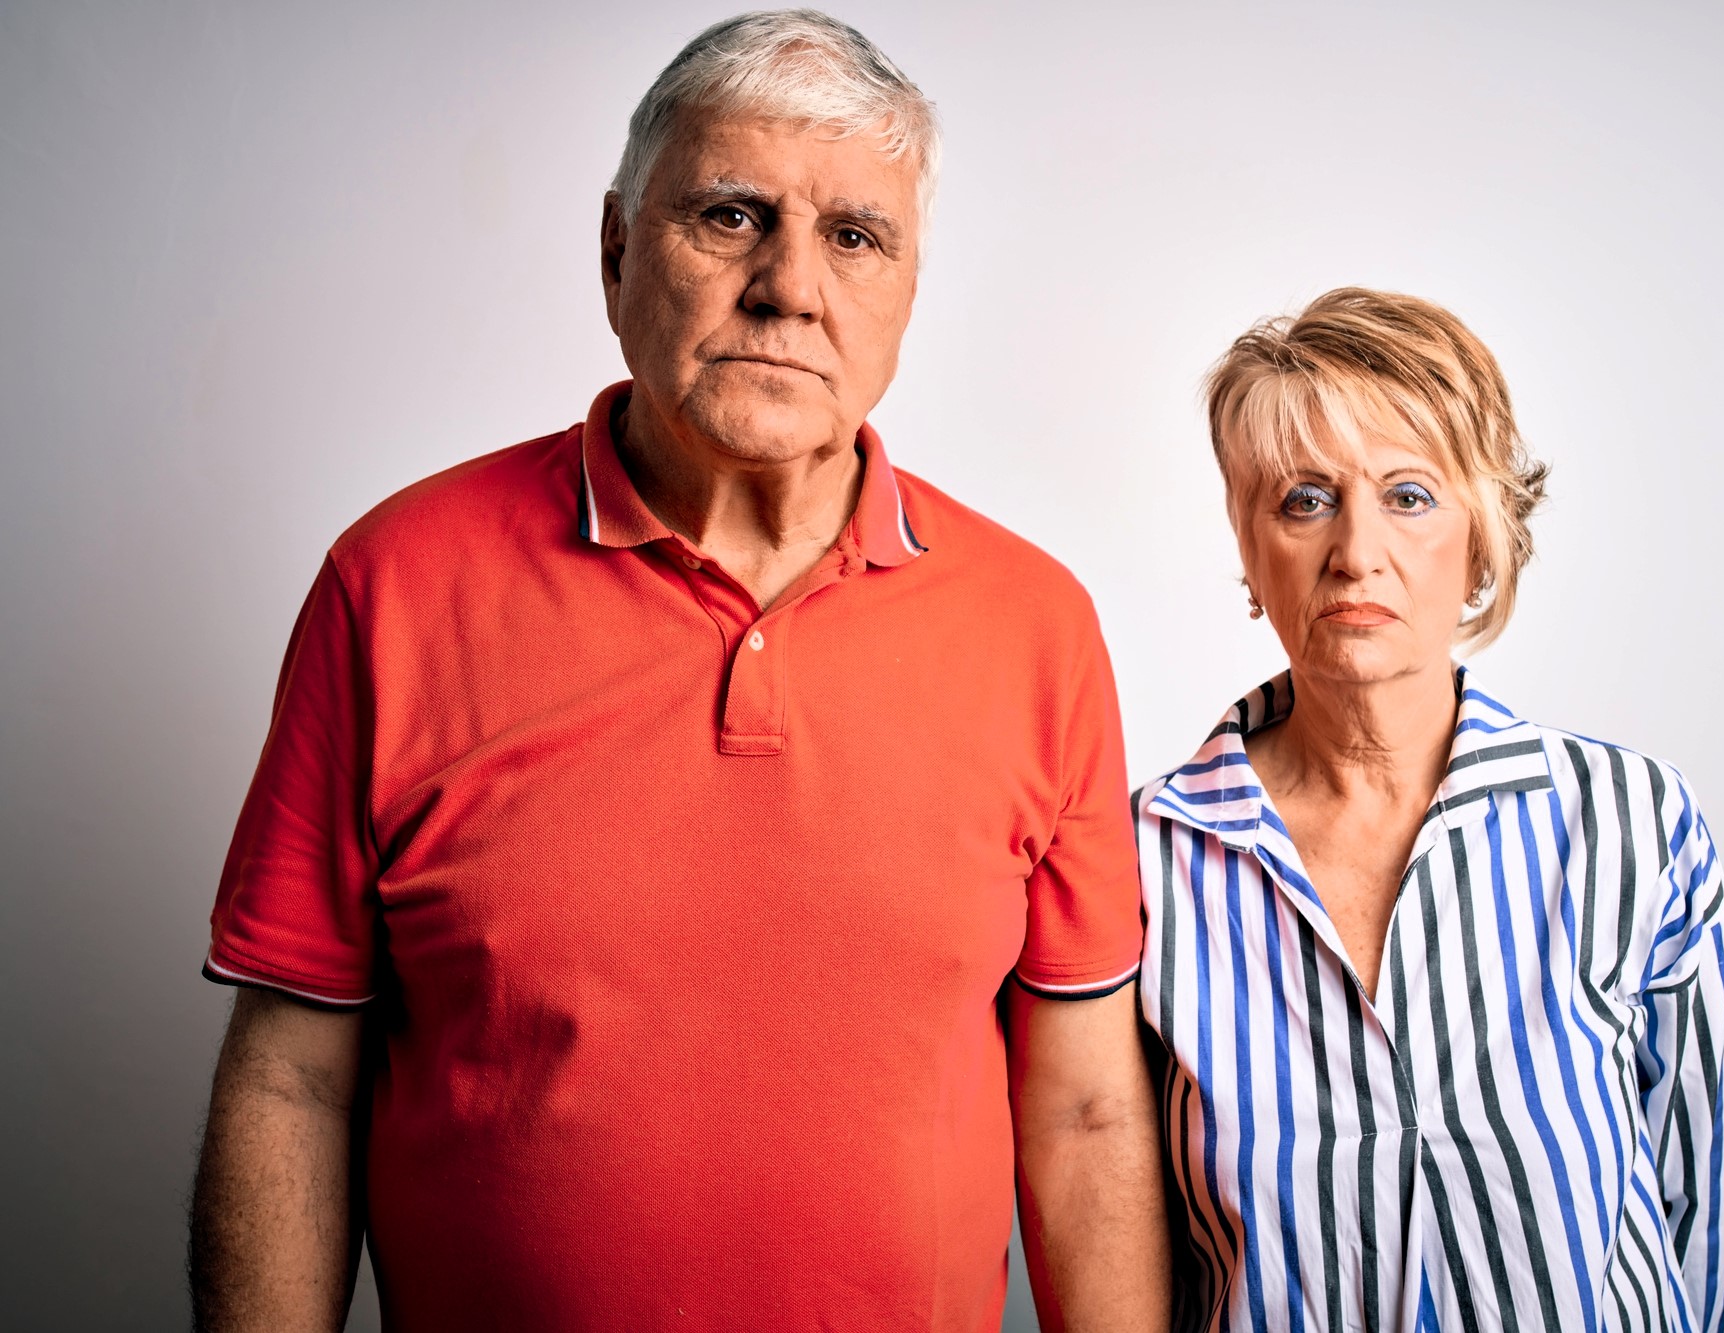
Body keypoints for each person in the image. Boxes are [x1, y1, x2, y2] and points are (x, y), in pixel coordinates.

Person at [188, 11, 1169, 1330]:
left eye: (855, 236)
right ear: (614, 250)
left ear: (907, 294)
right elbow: (293, 1080)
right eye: (729, 216)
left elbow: (1090, 1105)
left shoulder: (1035, 622)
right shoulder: (395, 584)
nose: (789, 286)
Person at [1135, 288, 1724, 1333]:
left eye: (1408, 496)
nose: (1355, 552)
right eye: (1303, 500)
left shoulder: (1632, 825)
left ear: (1481, 537)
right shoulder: (1140, 863)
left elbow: (1692, 1211)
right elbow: (1126, 1232)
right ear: (1249, 551)